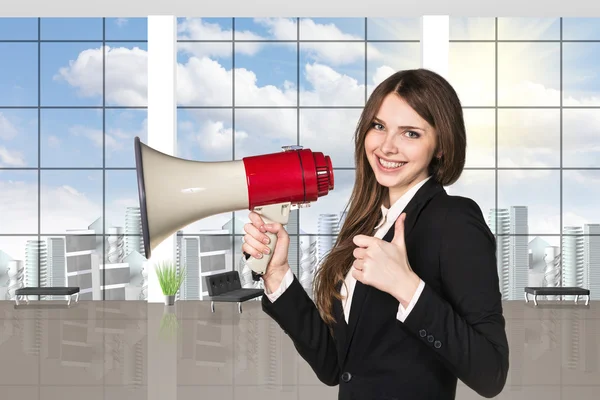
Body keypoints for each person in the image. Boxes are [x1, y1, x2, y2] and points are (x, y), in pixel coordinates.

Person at [242, 68, 509, 400]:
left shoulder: (454, 220)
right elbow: (335, 367)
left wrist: (407, 287)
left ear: (440, 146)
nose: (387, 146)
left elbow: (492, 372)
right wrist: (277, 274)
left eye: (410, 133)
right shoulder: (367, 223)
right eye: (379, 126)